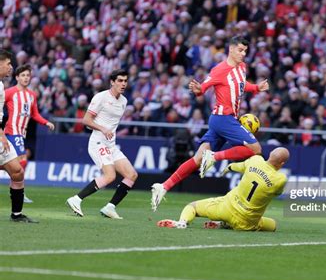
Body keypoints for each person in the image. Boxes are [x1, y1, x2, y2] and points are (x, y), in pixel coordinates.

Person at [151, 36, 269, 211]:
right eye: (240, 50)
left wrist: (256, 88)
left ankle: (164, 186)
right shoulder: (219, 70)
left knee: (198, 159)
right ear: (230, 49)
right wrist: (197, 89)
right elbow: (202, 90)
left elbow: (242, 85)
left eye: (245, 51)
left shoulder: (242, 67)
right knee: (256, 149)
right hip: (223, 119)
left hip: (222, 121)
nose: (243, 54)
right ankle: (214, 157)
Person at [157, 147, 289, 231]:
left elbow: (239, 166)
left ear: (270, 154)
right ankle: (224, 224)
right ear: (282, 163)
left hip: (226, 208)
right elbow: (277, 193)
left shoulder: (255, 160)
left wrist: (228, 167)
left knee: (192, 207)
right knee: (273, 225)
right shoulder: (280, 179)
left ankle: (182, 222)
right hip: (247, 222)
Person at [66, 69, 138, 219]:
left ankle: (110, 208)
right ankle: (76, 199)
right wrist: (103, 129)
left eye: (125, 81)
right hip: (98, 141)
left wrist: (108, 132)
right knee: (110, 176)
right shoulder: (101, 97)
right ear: (112, 82)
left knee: (131, 174)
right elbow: (86, 121)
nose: (123, 84)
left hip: (111, 144)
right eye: (120, 80)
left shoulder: (124, 101)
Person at [4, 64, 55, 203]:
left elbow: (35, 114)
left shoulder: (32, 95)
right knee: (22, 161)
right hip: (12, 131)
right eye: (23, 75)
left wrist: (46, 122)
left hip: (21, 133)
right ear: (17, 77)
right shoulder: (9, 92)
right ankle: (19, 192)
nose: (26, 78)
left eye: (28, 75)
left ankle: (16, 190)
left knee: (16, 163)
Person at [0, 50, 37, 222]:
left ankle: (16, 215)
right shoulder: (8, 90)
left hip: (1, 136)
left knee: (17, 172)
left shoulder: (1, 86)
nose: (10, 67)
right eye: (8, 63)